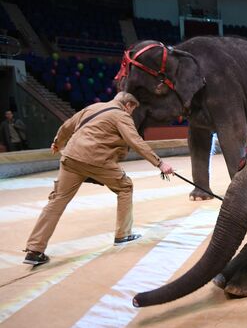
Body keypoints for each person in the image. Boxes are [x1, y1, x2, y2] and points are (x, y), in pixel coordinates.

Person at [22, 92, 174, 265]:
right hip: (97, 160)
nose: (132, 113)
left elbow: (67, 126)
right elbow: (135, 141)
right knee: (125, 187)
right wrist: (159, 163)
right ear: (129, 105)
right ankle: (123, 234)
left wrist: (58, 143)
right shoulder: (122, 115)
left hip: (70, 157)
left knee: (57, 200)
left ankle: (34, 249)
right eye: (133, 109)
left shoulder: (93, 107)